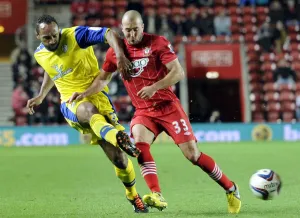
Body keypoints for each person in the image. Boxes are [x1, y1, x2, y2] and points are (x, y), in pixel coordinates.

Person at [77, 10, 241, 214]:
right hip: (144, 111)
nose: (131, 35)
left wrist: (155, 86)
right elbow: (103, 79)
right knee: (139, 144)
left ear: (143, 27)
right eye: (127, 31)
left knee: (193, 155)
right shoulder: (115, 52)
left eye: (135, 30)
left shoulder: (157, 43)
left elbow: (178, 72)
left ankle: (231, 188)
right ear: (122, 29)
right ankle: (156, 194)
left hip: (168, 108)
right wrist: (84, 93)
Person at [26, 15, 148, 213]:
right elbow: (52, 69)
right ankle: (117, 136)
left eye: (54, 36)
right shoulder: (39, 54)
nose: (52, 41)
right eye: (46, 38)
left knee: (119, 160)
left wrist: (121, 56)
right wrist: (41, 95)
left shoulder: (76, 36)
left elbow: (109, 33)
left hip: (99, 98)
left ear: (59, 31)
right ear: (38, 36)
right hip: (72, 103)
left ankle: (133, 195)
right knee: (87, 110)